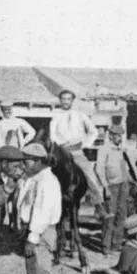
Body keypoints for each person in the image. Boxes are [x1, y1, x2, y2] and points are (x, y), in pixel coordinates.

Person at [16, 143, 62, 274]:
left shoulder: (47, 182)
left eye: (26, 161)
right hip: (36, 231)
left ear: (38, 161)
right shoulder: (35, 178)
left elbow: (42, 212)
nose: (23, 165)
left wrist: (32, 238)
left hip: (41, 233)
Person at [48, 90, 106, 218]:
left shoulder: (80, 115)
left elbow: (93, 131)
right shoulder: (55, 115)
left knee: (89, 173)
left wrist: (86, 143)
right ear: (60, 100)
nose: (66, 101)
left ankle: (98, 205)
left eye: (68, 99)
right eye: (63, 99)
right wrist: (59, 144)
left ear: (72, 101)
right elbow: (52, 135)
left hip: (77, 151)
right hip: (61, 151)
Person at [96, 124, 137, 255]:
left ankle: (116, 244)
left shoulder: (121, 150)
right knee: (110, 216)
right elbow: (99, 169)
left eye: (121, 135)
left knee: (121, 214)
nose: (120, 138)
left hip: (123, 185)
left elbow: (126, 168)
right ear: (110, 136)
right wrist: (105, 187)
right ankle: (106, 246)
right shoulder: (104, 149)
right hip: (111, 186)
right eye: (117, 136)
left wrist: (130, 183)